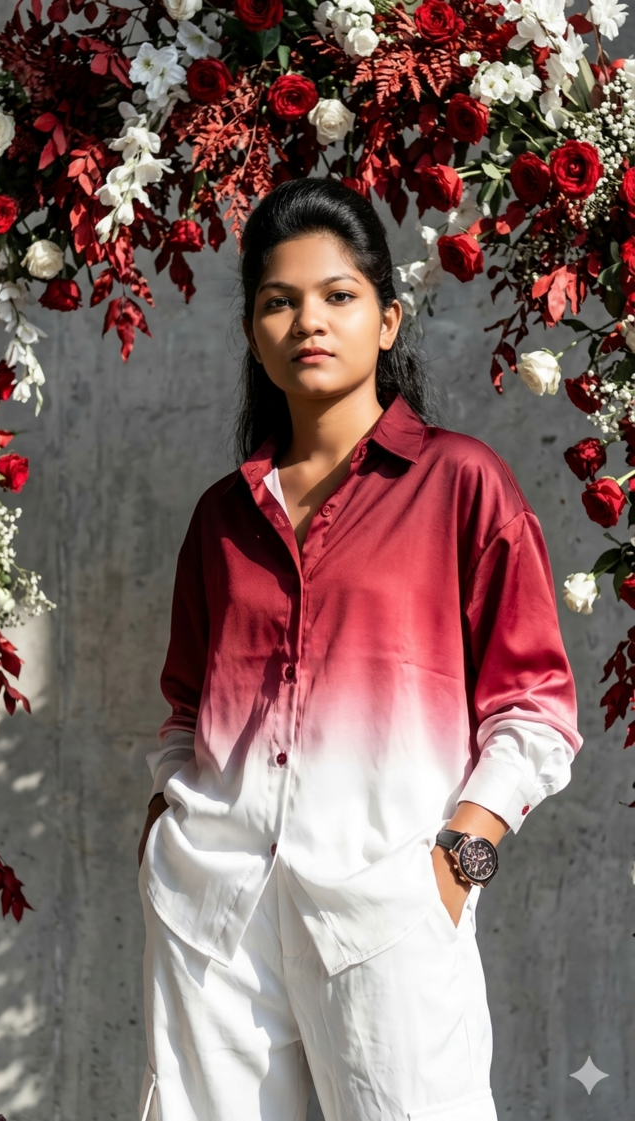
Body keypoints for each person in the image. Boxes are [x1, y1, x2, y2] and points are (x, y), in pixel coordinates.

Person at [136, 177, 583, 1121]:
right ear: (253, 332)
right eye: (279, 301)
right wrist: (167, 826)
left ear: (387, 320)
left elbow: (535, 708)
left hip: (387, 910)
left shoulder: (461, 484)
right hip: (214, 916)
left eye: (338, 295)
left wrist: (458, 860)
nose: (309, 320)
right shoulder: (223, 517)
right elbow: (186, 707)